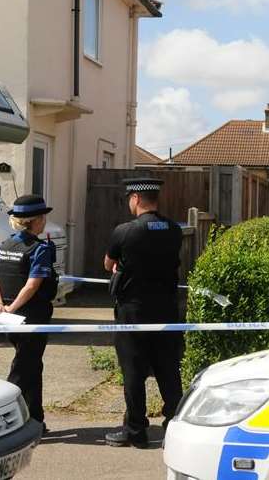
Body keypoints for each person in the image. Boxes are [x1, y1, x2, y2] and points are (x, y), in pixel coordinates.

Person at [103, 178, 183, 448]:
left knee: (133, 371)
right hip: (167, 309)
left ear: (135, 198)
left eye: (129, 199)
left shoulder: (125, 231)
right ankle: (176, 425)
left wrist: (121, 269)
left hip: (134, 312)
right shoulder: (173, 229)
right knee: (168, 369)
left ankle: (135, 430)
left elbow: (108, 263)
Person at [0, 194, 57, 430]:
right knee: (22, 370)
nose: (45, 221)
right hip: (31, 318)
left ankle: (35, 419)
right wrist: (13, 308)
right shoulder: (39, 249)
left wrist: (0, 307)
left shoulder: (5, 245)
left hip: (8, 319)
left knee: (32, 366)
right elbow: (32, 285)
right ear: (35, 221)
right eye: (43, 217)